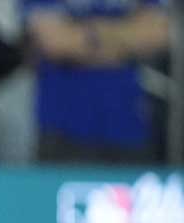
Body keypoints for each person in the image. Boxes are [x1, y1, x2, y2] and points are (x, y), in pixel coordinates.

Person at [24, 0, 170, 163]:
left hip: (132, 125)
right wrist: (126, 36)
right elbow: (55, 42)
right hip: (63, 127)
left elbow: (157, 34)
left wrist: (87, 36)